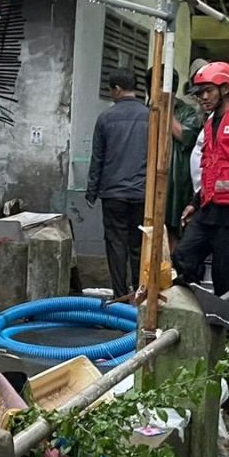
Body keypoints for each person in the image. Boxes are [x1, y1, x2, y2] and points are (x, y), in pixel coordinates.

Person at [172, 62, 229, 295]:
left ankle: (226, 326)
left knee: (226, 275)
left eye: (208, 91)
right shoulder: (210, 122)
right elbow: (210, 168)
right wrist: (195, 202)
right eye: (200, 92)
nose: (203, 97)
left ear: (225, 89)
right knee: (184, 255)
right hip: (208, 208)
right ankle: (194, 304)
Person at [86, 68, 150, 298]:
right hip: (142, 193)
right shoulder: (149, 115)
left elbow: (98, 158)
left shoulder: (105, 118)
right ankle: (139, 292)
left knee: (115, 244)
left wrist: (91, 191)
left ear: (117, 89)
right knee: (138, 244)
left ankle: (120, 295)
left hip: (113, 193)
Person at [147, 68, 204, 244]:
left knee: (174, 230)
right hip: (148, 178)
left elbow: (185, 136)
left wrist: (166, 109)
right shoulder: (146, 111)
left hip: (177, 181)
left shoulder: (187, 111)